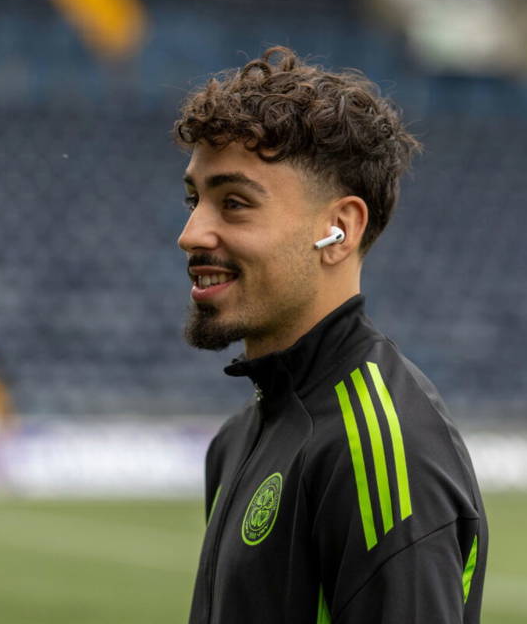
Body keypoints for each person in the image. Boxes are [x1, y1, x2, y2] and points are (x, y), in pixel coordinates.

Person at [175, 46, 486, 624]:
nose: (190, 233)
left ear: (339, 230)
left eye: (234, 203)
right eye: (195, 200)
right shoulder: (239, 437)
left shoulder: (379, 448)